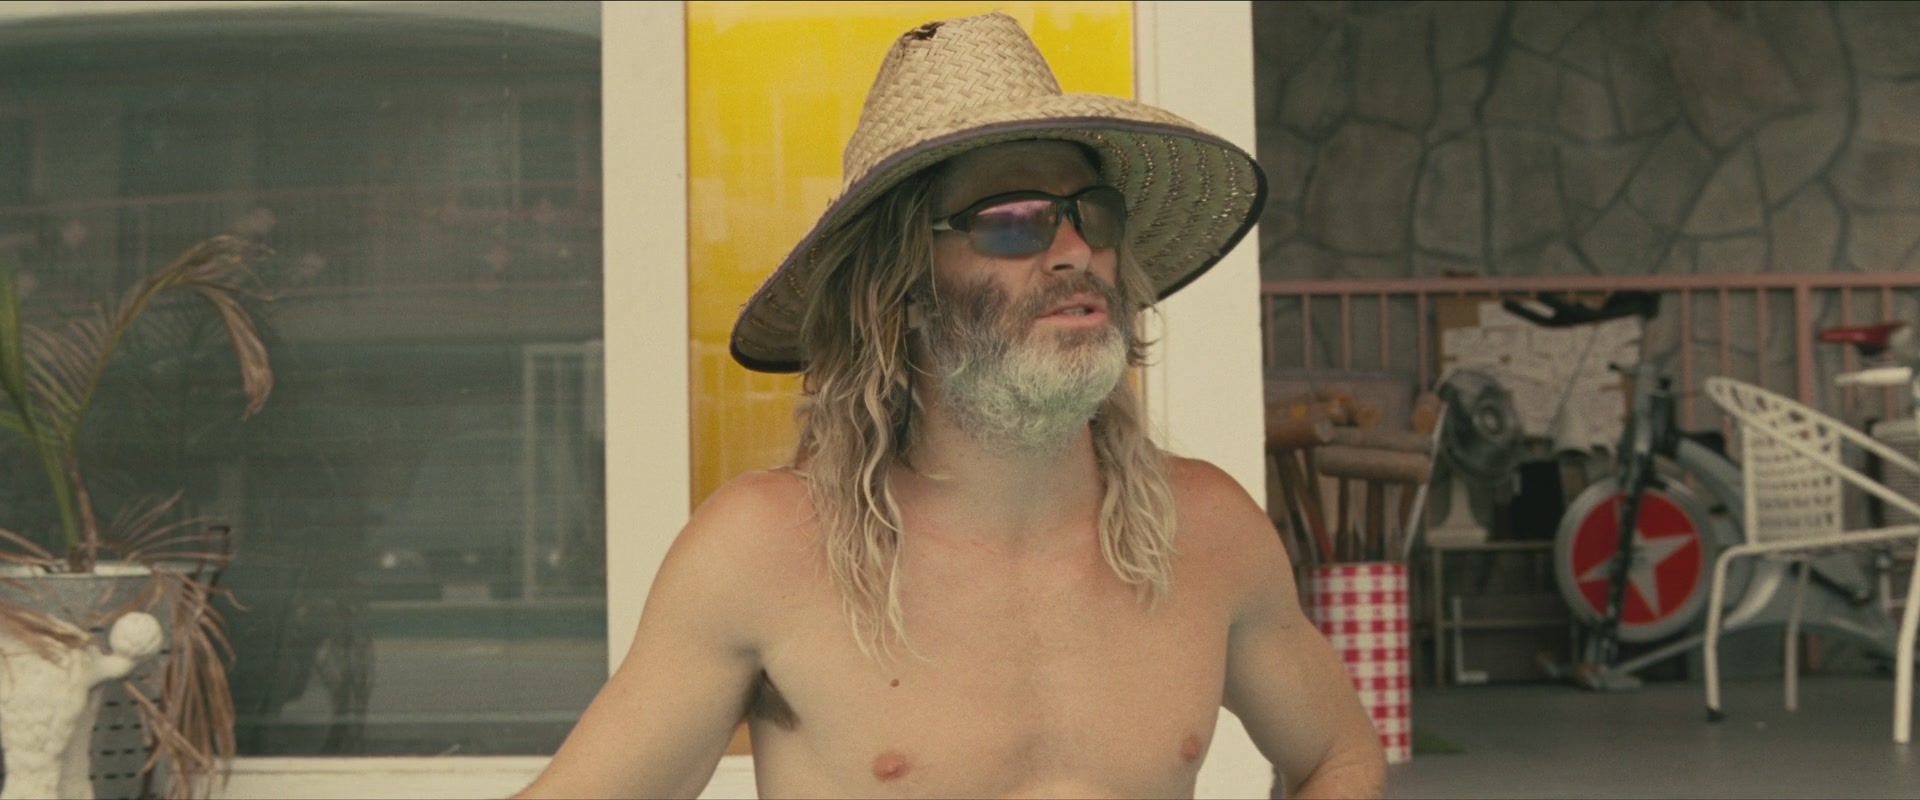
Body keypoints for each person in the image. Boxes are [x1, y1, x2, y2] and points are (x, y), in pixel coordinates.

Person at [517, 12, 1386, 799]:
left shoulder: (1208, 529)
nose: (1074, 251)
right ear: (904, 290)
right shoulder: (766, 550)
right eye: (1013, 219)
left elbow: (1339, 754)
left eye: (1093, 213)